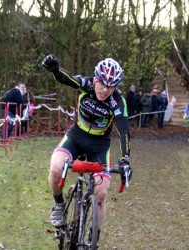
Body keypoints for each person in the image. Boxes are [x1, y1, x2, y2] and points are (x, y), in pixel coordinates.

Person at [41, 55, 132, 243]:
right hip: (76, 137)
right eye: (102, 84)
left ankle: (93, 239)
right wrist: (55, 70)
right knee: (56, 168)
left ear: (116, 87)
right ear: (96, 79)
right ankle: (58, 205)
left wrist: (125, 160)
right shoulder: (87, 84)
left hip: (99, 145)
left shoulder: (117, 101)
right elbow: (67, 78)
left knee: (101, 192)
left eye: (111, 86)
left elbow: (124, 131)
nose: (105, 90)